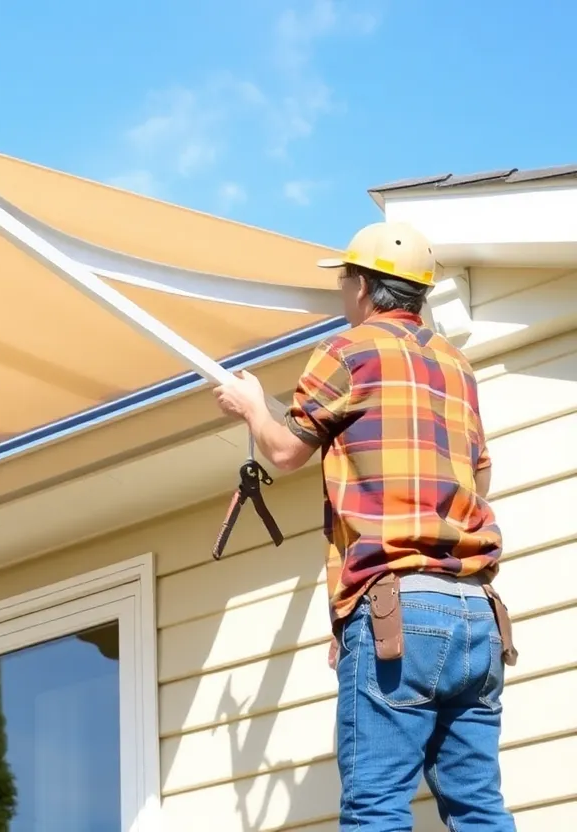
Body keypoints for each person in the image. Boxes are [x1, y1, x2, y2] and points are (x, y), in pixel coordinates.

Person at [213, 220, 518, 831]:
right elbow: (478, 481)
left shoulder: (347, 350)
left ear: (364, 286)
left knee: (376, 806)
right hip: (476, 614)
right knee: (478, 807)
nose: (342, 293)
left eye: (345, 280)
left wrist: (251, 406)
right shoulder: (457, 367)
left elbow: (286, 452)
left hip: (397, 609)